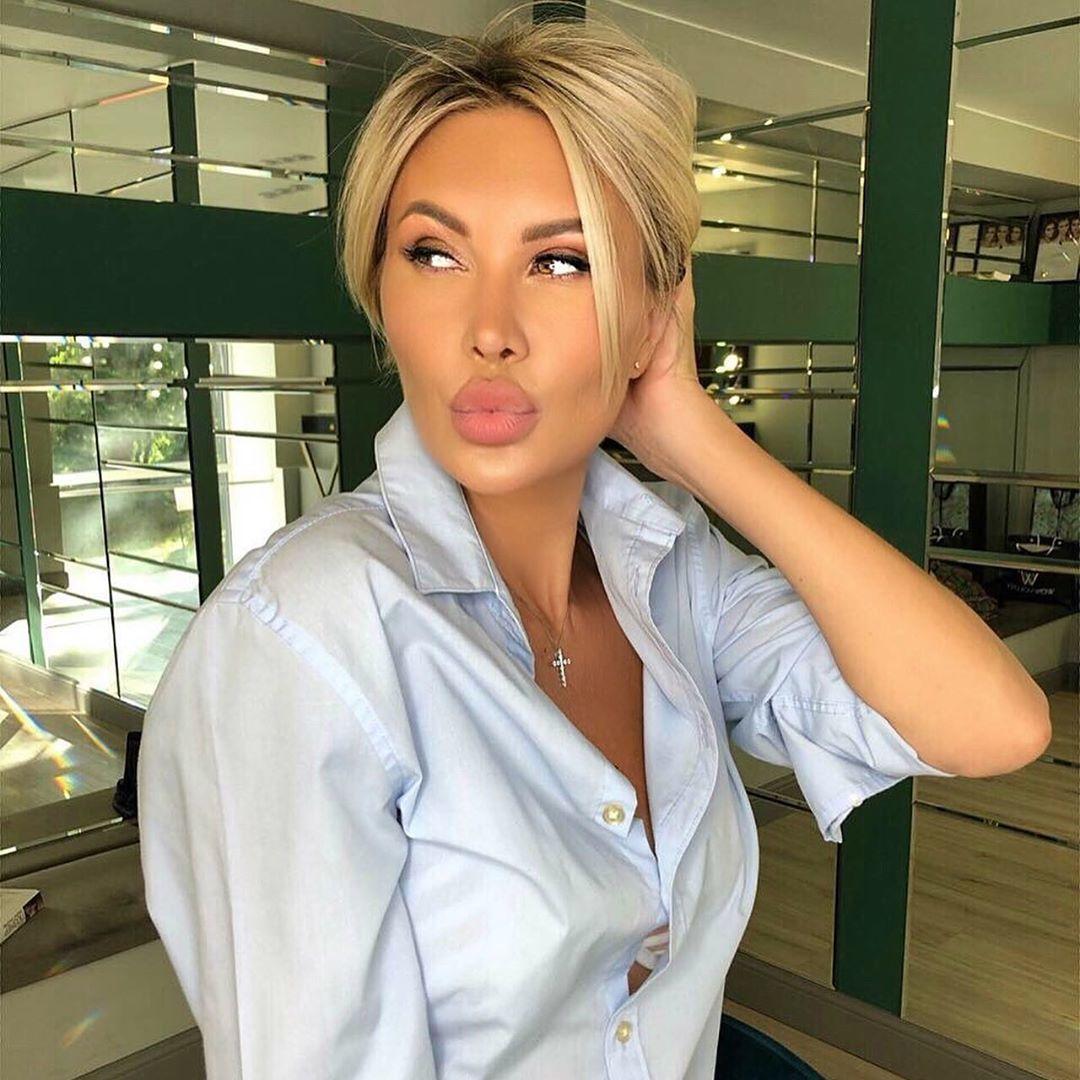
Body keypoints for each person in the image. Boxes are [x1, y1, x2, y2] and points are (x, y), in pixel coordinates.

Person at [137, 6, 1050, 1079]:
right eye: (434, 253)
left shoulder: (668, 570)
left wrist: (694, 436)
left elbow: (992, 724)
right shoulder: (300, 642)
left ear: (655, 307)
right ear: (380, 289)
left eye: (562, 262)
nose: (489, 328)